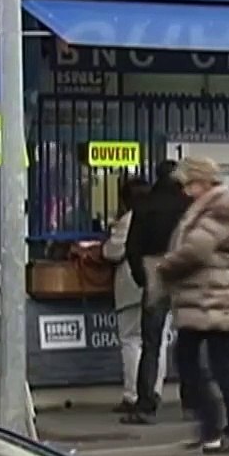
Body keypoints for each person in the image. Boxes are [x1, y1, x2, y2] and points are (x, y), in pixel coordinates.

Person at [154, 157, 229, 453]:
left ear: (205, 181)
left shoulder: (219, 209)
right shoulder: (211, 208)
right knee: (197, 364)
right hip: (207, 297)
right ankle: (213, 428)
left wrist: (164, 266)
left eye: (190, 183)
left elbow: (197, 249)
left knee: (219, 367)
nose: (186, 191)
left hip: (215, 298)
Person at [123, 160, 192, 425]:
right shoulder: (187, 206)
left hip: (154, 271)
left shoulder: (144, 205)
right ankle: (191, 401)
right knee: (189, 340)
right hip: (183, 272)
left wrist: (142, 277)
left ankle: (146, 404)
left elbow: (133, 247)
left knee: (150, 343)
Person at [103, 177, 164, 414]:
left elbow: (112, 252)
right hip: (158, 281)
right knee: (156, 341)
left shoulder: (129, 219)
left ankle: (133, 394)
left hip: (131, 284)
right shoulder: (159, 215)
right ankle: (155, 390)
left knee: (131, 340)